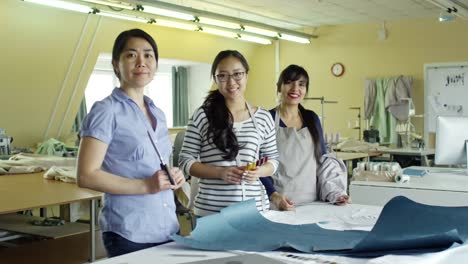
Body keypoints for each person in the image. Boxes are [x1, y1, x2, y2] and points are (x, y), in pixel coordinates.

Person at [77, 28, 185, 257]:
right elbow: (86, 175)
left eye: (148, 55)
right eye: (131, 55)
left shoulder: (158, 112)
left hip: (167, 227)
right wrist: (146, 186)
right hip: (129, 233)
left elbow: (157, 166)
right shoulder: (106, 111)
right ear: (117, 64)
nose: (141, 62)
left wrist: (174, 176)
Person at [178, 50, 279, 217]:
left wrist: (259, 172)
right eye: (223, 76)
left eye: (237, 74)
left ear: (246, 75)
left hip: (255, 211)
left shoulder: (263, 117)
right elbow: (185, 160)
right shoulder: (202, 115)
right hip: (211, 212)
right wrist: (220, 172)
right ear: (216, 79)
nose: (231, 82)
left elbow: (273, 159)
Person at [261, 64, 350, 210]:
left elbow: (323, 161)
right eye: (289, 82)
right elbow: (259, 165)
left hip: (312, 203)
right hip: (278, 203)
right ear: (279, 87)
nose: (295, 88)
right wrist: (274, 196)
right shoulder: (267, 118)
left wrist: (335, 193)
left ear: (306, 90)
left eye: (301, 84)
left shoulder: (312, 118)